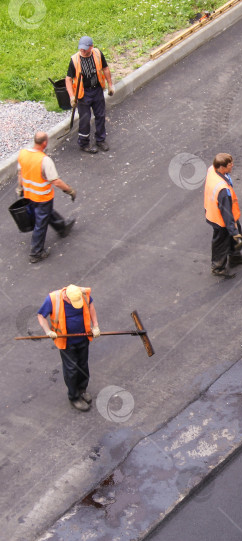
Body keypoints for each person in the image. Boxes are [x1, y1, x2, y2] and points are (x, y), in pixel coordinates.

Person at [36, 285, 100, 412]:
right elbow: (41, 316)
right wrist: (48, 331)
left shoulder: (83, 295)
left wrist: (96, 326)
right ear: (66, 297)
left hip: (83, 337)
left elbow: (91, 307)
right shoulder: (53, 299)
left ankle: (82, 390)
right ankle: (74, 397)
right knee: (71, 369)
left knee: (83, 365)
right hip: (66, 341)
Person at [16, 131, 76, 263]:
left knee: (45, 214)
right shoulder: (44, 160)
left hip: (29, 195)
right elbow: (56, 181)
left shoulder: (23, 154)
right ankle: (36, 253)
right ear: (44, 143)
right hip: (43, 198)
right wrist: (70, 190)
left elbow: (20, 174)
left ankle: (62, 227)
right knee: (41, 223)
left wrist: (20, 188)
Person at [65, 36, 114, 153]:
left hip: (97, 90)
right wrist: (72, 97)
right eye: (81, 48)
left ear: (91, 47)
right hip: (83, 93)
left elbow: (105, 68)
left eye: (85, 49)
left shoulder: (97, 54)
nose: (82, 50)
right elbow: (68, 79)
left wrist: (110, 85)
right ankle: (83, 143)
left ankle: (100, 140)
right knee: (85, 119)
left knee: (100, 115)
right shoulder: (75, 60)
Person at [203, 153, 242, 279]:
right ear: (222, 167)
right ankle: (218, 267)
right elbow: (226, 213)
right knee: (221, 242)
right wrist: (233, 231)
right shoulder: (223, 190)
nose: (232, 166)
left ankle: (234, 256)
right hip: (220, 219)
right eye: (230, 165)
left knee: (235, 233)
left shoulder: (212, 170)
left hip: (214, 211)